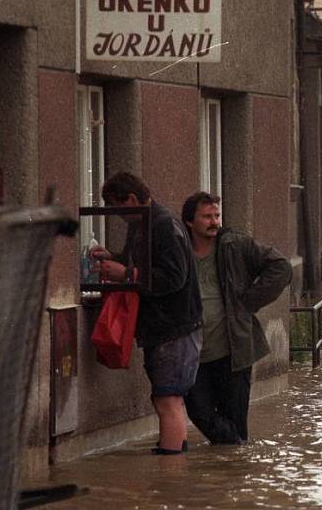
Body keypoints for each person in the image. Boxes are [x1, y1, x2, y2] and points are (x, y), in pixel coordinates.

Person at [91, 172, 202, 455]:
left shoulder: (163, 225)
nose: (119, 217)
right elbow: (140, 264)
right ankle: (173, 458)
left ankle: (170, 467)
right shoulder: (142, 223)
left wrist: (125, 273)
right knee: (166, 398)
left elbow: (174, 277)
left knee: (168, 399)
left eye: (118, 209)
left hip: (174, 328)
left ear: (130, 199)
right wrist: (113, 258)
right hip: (164, 327)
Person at [181, 191, 292, 445]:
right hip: (193, 354)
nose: (214, 222)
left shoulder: (235, 245)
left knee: (235, 421)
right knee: (199, 412)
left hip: (234, 352)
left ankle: (233, 471)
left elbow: (281, 268)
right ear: (190, 221)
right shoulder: (180, 249)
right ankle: (233, 455)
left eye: (216, 216)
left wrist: (248, 302)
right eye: (206, 216)